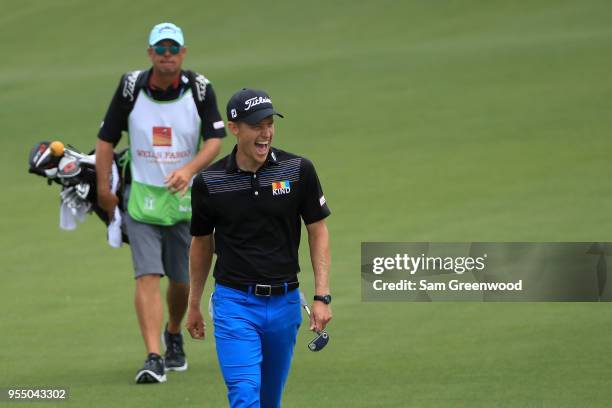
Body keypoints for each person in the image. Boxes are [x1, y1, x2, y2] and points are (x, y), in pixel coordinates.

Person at [95, 22, 226, 384]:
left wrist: (189, 170)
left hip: (185, 202)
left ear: (183, 53)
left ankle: (173, 333)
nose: (167, 55)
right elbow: (106, 139)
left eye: (173, 49)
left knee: (181, 280)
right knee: (147, 274)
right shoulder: (130, 87)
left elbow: (215, 140)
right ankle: (153, 356)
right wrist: (105, 189)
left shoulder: (199, 89)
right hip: (141, 200)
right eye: (160, 49)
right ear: (151, 53)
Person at [186, 88, 332, 407]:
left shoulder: (297, 170)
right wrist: (194, 303)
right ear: (234, 128)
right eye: (256, 125)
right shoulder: (209, 183)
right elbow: (200, 243)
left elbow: (317, 230)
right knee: (244, 393)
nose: (265, 133)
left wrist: (322, 295)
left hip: (285, 304)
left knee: (269, 400)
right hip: (234, 303)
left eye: (269, 123)